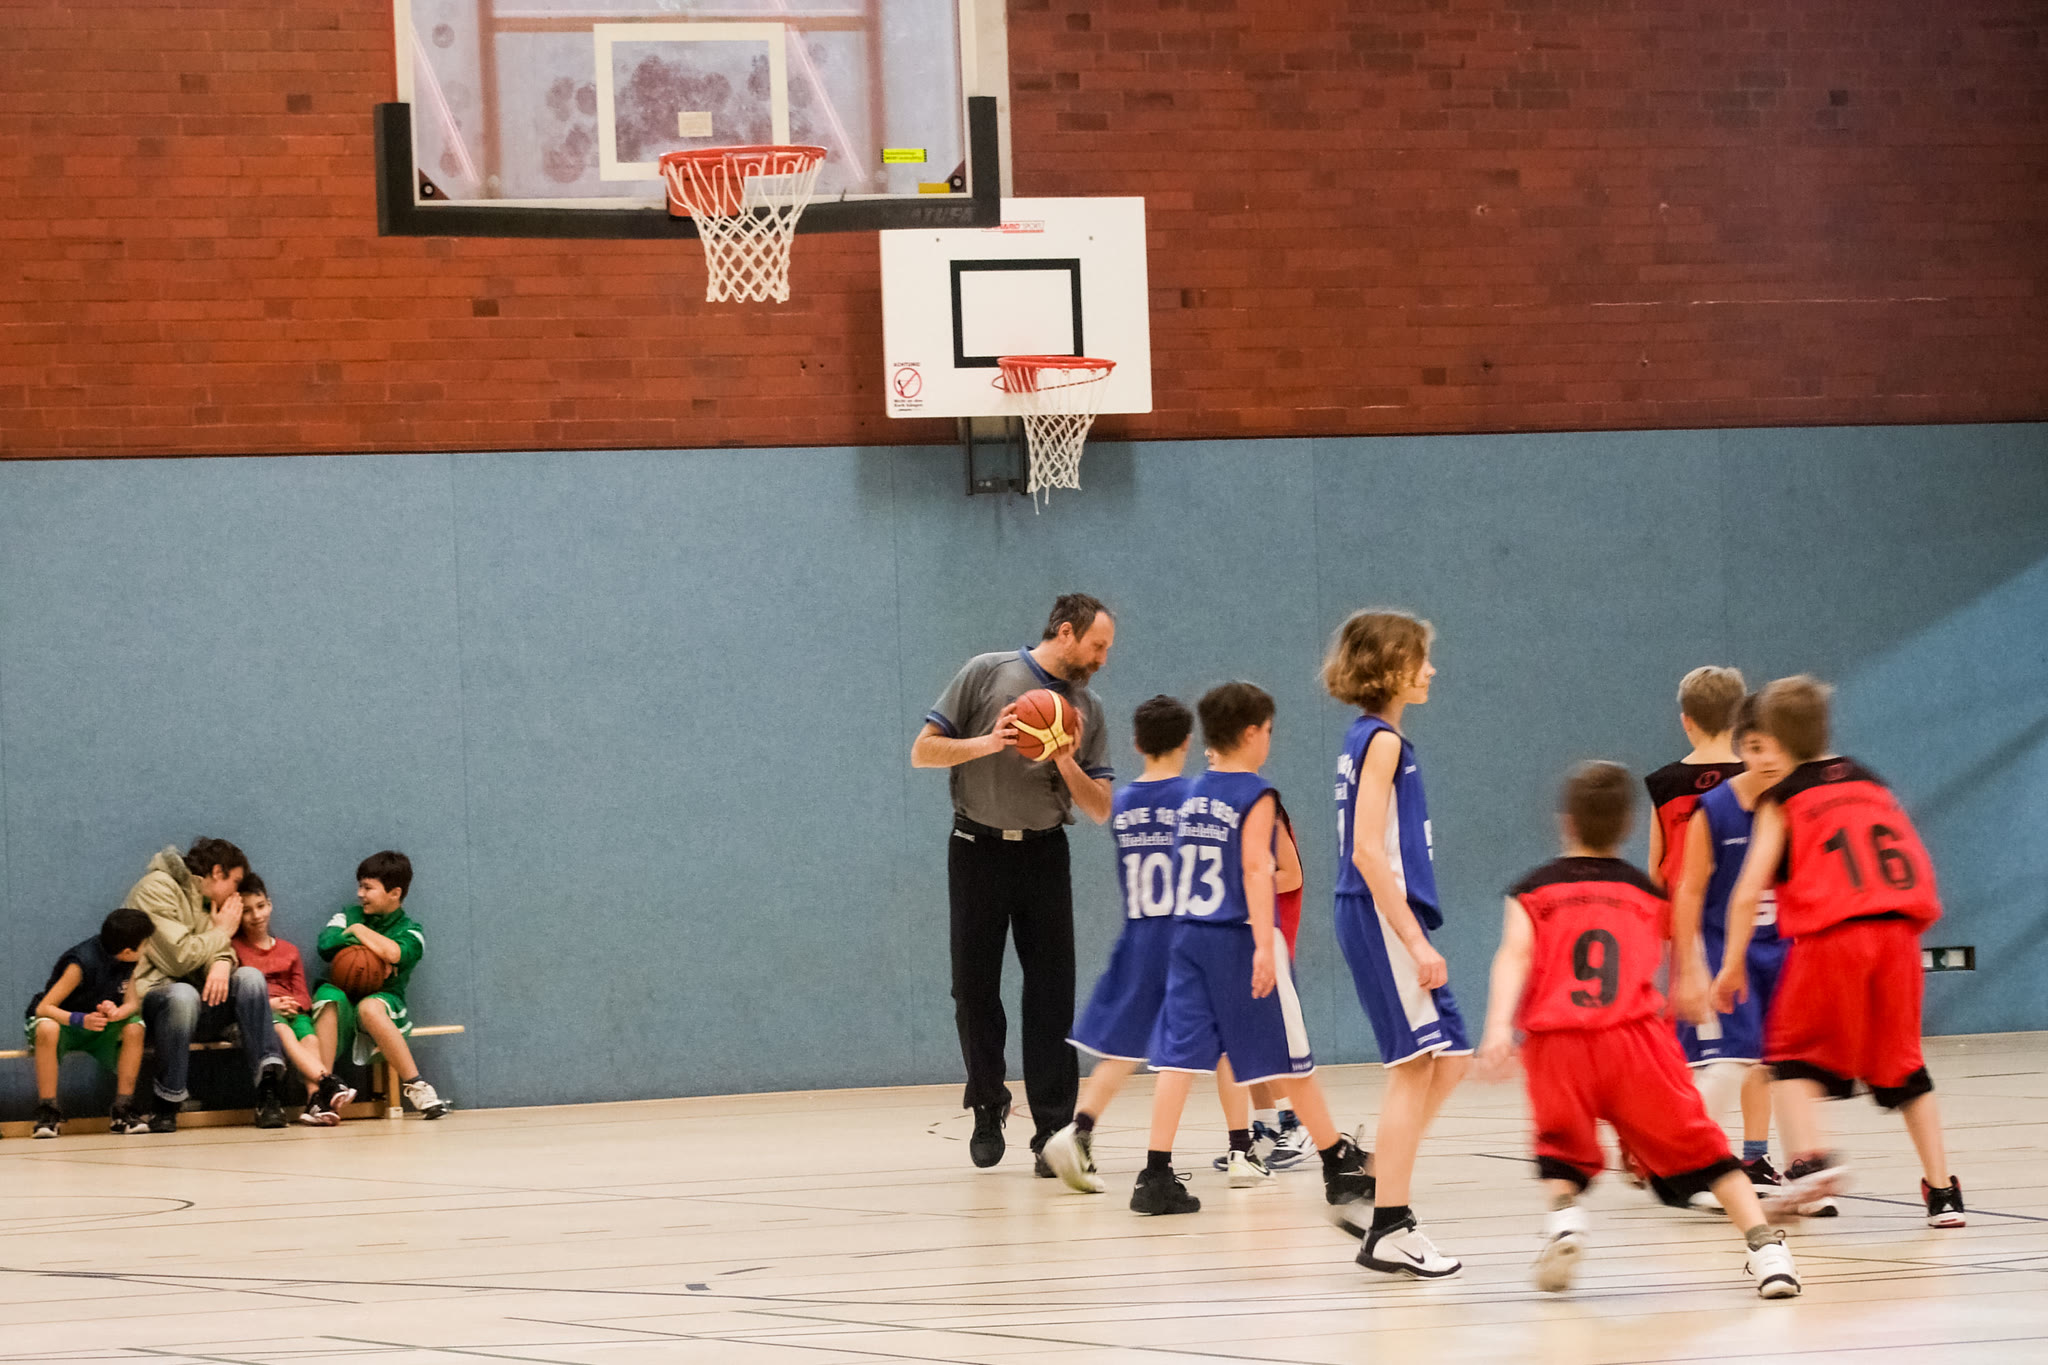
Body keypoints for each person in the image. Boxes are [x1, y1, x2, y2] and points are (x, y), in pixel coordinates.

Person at [1477, 762, 1802, 1299]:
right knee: (1704, 1150)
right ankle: (1768, 1252)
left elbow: (1514, 954)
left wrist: (1495, 1029)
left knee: (1559, 1150)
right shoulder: (1646, 892)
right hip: (1633, 1041)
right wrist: (1692, 980)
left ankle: (1565, 1220)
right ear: (1627, 825)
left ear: (1566, 822)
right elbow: (1676, 941)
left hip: (1557, 1044)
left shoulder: (1530, 891)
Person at [1711, 676, 1964, 1227]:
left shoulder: (1785, 798)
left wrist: (1730, 965)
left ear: (1775, 736)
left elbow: (1748, 890)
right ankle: (1944, 1193)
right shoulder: (1872, 782)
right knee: (1904, 1066)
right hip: (1899, 936)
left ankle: (1811, 1162)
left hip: (1834, 936)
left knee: (1789, 1057)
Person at [1130, 682, 1372, 1216]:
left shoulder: (1192, 794)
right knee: (1293, 1057)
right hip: (1238, 938)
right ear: (1250, 733)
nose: (1270, 740)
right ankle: (1336, 1163)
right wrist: (1265, 942)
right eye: (1269, 730)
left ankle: (1155, 1174)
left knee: (1178, 1063)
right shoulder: (1256, 794)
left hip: (1188, 938)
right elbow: (1258, 868)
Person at [911, 594, 1116, 1170]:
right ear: (1066, 632)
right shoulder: (987, 672)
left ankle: (1053, 1133)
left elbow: (1101, 807)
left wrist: (1066, 758)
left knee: (1051, 995)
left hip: (1045, 854)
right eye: (1098, 646)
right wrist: (989, 741)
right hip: (975, 848)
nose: (1102, 659)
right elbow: (922, 751)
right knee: (973, 990)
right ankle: (987, 1103)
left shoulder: (1088, 708)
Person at [1324, 610, 1468, 1277]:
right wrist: (1415, 939)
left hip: (1383, 913)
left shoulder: (1370, 737)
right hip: (1380, 914)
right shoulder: (1379, 741)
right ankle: (1389, 1224)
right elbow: (1366, 851)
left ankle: (1373, 1178)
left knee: (1452, 1055)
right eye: (1420, 658)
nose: (1431, 669)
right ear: (1390, 667)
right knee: (1414, 1066)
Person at [1040, 695, 1192, 1193]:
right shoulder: (1193, 798)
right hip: (1185, 936)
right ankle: (1239, 1147)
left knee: (1125, 1048)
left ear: (1136, 744)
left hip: (1139, 934)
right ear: (1188, 742)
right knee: (1202, 1045)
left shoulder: (1123, 802)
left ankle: (1079, 1130)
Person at [1666, 693, 1800, 1207]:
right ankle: (1684, 1166)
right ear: (1740, 748)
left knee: (1776, 1064)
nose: (1768, 758)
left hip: (1782, 950)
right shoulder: (1715, 808)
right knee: (1726, 1062)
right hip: (1723, 951)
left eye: (1778, 746)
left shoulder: (1799, 803)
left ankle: (1766, 1160)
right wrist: (1691, 968)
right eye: (1756, 747)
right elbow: (1689, 891)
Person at [125, 838, 292, 1132]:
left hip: (198, 1001)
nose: (236, 893)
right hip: (155, 1002)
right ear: (217, 872)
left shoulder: (202, 901)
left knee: (250, 978)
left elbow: (219, 950)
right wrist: (222, 932)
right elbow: (178, 958)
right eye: (235, 882)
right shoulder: (156, 889)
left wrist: (222, 962)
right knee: (183, 994)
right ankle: (166, 1103)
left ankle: (268, 1094)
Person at [311, 851, 448, 1119]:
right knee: (328, 996)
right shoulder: (347, 914)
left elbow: (396, 953)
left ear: (394, 893)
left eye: (368, 888)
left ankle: (417, 1086)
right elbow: (325, 944)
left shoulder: (412, 930)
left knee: (370, 1008)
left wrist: (359, 931)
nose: (360, 894)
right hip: (342, 996)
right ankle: (323, 1091)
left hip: (385, 998)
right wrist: (374, 950)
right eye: (360, 886)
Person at [231, 873, 356, 1125]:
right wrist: (271, 1005)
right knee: (285, 1034)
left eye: (260, 906)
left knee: (310, 1038)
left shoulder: (289, 950)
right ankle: (327, 1081)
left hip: (293, 1012)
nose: (256, 915)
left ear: (269, 904)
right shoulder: (235, 948)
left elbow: (302, 995)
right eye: (247, 911)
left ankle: (315, 1102)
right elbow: (239, 995)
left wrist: (293, 1005)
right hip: (265, 1015)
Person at [26, 908, 155, 1137]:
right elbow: (44, 1008)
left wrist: (116, 1012)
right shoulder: (81, 963)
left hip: (96, 1025)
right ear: (127, 950)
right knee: (47, 1027)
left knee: (134, 1027)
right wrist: (79, 1019)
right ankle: (47, 1112)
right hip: (65, 1023)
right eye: (146, 944)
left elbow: (132, 1003)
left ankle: (123, 1109)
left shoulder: (127, 961)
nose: (147, 949)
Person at [1644, 667, 1748, 893]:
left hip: (1679, 909)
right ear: (1739, 720)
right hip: (1737, 909)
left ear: (1686, 721)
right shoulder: (1751, 778)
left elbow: (1655, 871)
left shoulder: (1664, 783)